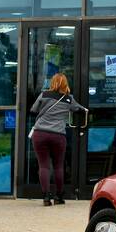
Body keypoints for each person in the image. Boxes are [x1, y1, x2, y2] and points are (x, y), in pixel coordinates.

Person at [29, 73, 87, 206]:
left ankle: (45, 197)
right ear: (65, 84)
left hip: (40, 133)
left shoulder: (44, 95)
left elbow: (33, 109)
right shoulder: (68, 99)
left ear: (52, 83)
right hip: (58, 135)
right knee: (58, 166)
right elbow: (79, 109)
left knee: (43, 165)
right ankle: (59, 197)